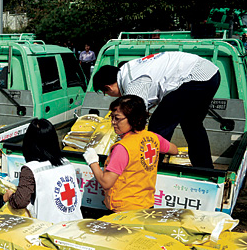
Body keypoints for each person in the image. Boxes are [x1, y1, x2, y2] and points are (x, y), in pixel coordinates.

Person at [92, 52, 220, 168]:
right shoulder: (129, 69)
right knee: (192, 124)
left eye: (106, 93)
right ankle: (205, 168)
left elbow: (133, 118)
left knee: (159, 125)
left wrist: (121, 146)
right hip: (209, 74)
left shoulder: (134, 82)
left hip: (194, 78)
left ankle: (150, 168)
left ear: (108, 87)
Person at [83, 95, 179, 212]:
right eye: (112, 117)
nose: (113, 122)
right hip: (147, 205)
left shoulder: (123, 148)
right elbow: (174, 150)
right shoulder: (153, 138)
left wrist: (93, 162)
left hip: (124, 210)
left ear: (133, 118)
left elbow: (106, 182)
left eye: (117, 118)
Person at [3, 118, 83, 223]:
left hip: (49, 229)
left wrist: (9, 196)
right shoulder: (66, 163)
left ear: (28, 142)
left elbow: (20, 201)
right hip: (74, 224)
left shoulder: (31, 169)